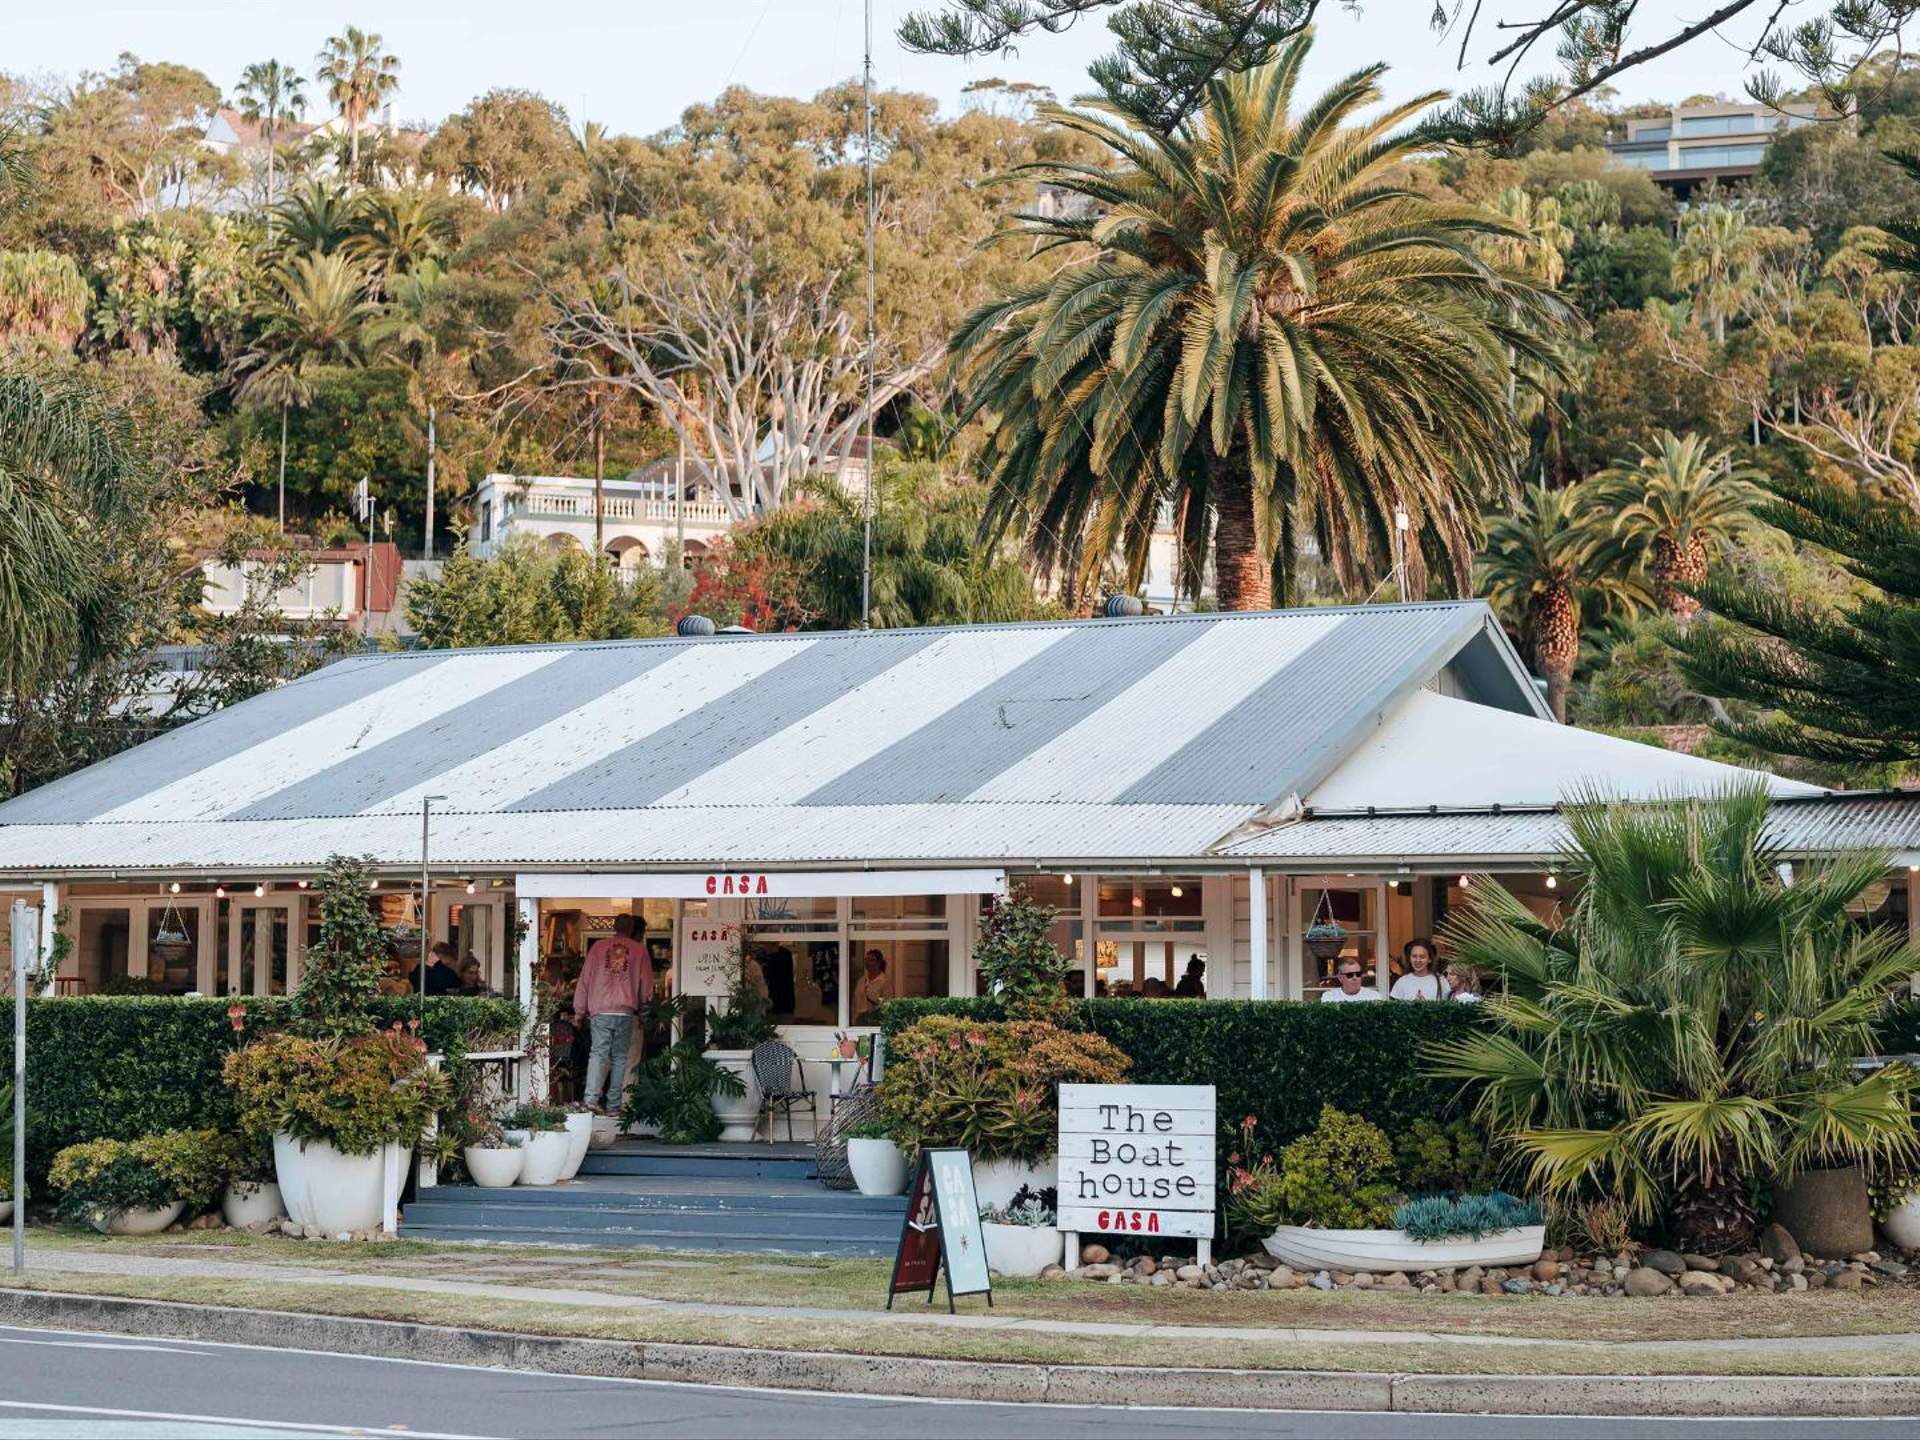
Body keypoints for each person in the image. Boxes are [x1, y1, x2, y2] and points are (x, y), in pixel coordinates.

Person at [574, 915, 653, 1114]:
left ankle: (591, 1100)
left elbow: (584, 980)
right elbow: (646, 989)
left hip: (600, 1011)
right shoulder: (639, 950)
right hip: (625, 1012)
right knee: (620, 1058)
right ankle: (614, 1105)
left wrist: (579, 1011)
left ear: (613, 926)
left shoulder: (598, 948)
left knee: (598, 1054)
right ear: (632, 928)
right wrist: (644, 1013)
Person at [855, 949, 892, 1019]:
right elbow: (855, 1002)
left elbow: (887, 1004)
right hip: (859, 1020)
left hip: (875, 1020)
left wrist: (873, 998)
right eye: (866, 960)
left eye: (871, 960)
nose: (867, 962)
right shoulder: (861, 980)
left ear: (879, 963)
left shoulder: (884, 981)